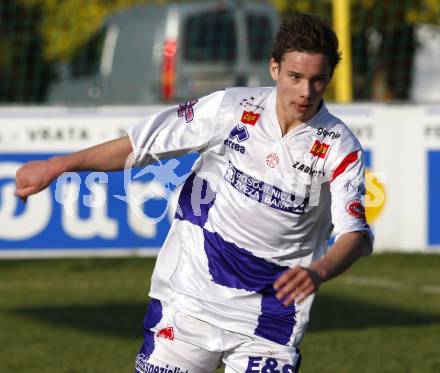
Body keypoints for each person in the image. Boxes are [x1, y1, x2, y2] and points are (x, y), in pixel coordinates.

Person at [15, 12, 373, 373]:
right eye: (295, 77)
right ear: (274, 68)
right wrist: (59, 164)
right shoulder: (231, 108)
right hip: (190, 299)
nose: (305, 92)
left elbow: (354, 234)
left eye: (318, 80)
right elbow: (140, 146)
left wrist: (319, 272)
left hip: (272, 317)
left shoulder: (340, 147)